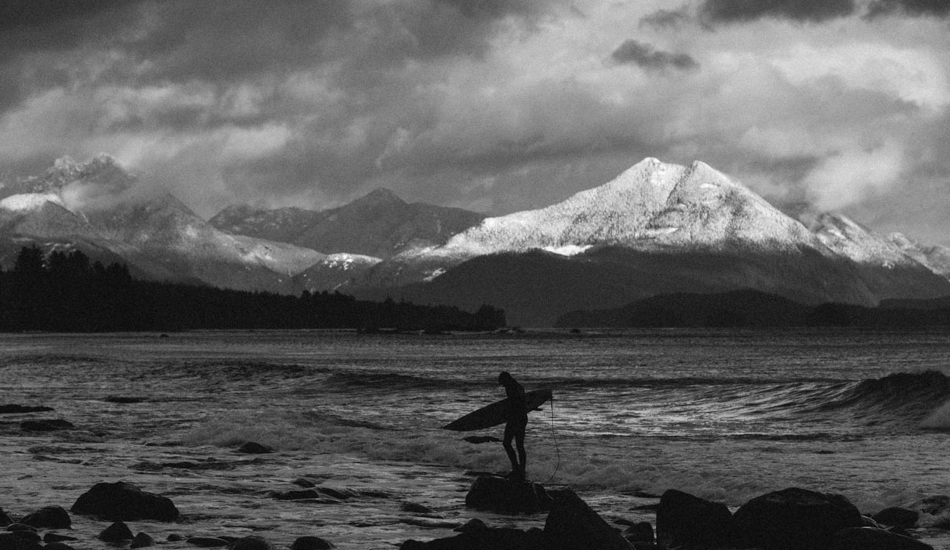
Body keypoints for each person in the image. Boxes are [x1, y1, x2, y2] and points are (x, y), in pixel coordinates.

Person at [498, 371, 528, 481]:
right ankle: (521, 471)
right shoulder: (518, 386)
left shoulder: (511, 387)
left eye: (501, 382)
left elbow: (514, 404)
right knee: (519, 445)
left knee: (506, 443)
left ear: (505, 379)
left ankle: (516, 469)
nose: (501, 384)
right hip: (522, 417)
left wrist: (503, 414)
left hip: (515, 418)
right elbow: (522, 401)